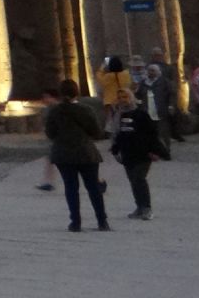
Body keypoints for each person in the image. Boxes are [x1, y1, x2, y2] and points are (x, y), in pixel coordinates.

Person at [44, 79, 110, 231]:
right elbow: (96, 131)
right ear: (76, 93)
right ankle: (102, 221)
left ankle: (75, 222)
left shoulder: (55, 111)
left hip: (64, 153)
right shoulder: (85, 109)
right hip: (85, 152)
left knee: (71, 188)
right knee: (93, 187)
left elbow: (50, 133)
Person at [111, 86, 167, 221]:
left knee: (139, 179)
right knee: (133, 181)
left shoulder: (141, 114)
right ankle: (139, 207)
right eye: (119, 98)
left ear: (131, 98)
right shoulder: (119, 116)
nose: (122, 100)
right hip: (127, 153)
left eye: (125, 97)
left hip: (143, 153)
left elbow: (152, 134)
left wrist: (154, 151)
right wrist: (115, 150)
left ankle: (147, 208)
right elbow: (118, 135)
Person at [137, 63, 182, 143]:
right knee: (150, 133)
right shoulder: (143, 83)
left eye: (153, 70)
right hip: (147, 111)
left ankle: (166, 150)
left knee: (164, 132)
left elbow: (171, 94)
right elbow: (138, 95)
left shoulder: (164, 82)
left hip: (161, 110)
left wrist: (171, 105)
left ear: (158, 72)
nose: (150, 72)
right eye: (149, 70)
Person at [35, 87, 60, 191]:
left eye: (46, 97)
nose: (44, 99)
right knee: (50, 159)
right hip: (54, 138)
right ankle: (48, 181)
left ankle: (98, 181)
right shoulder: (48, 109)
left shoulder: (57, 108)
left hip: (60, 138)